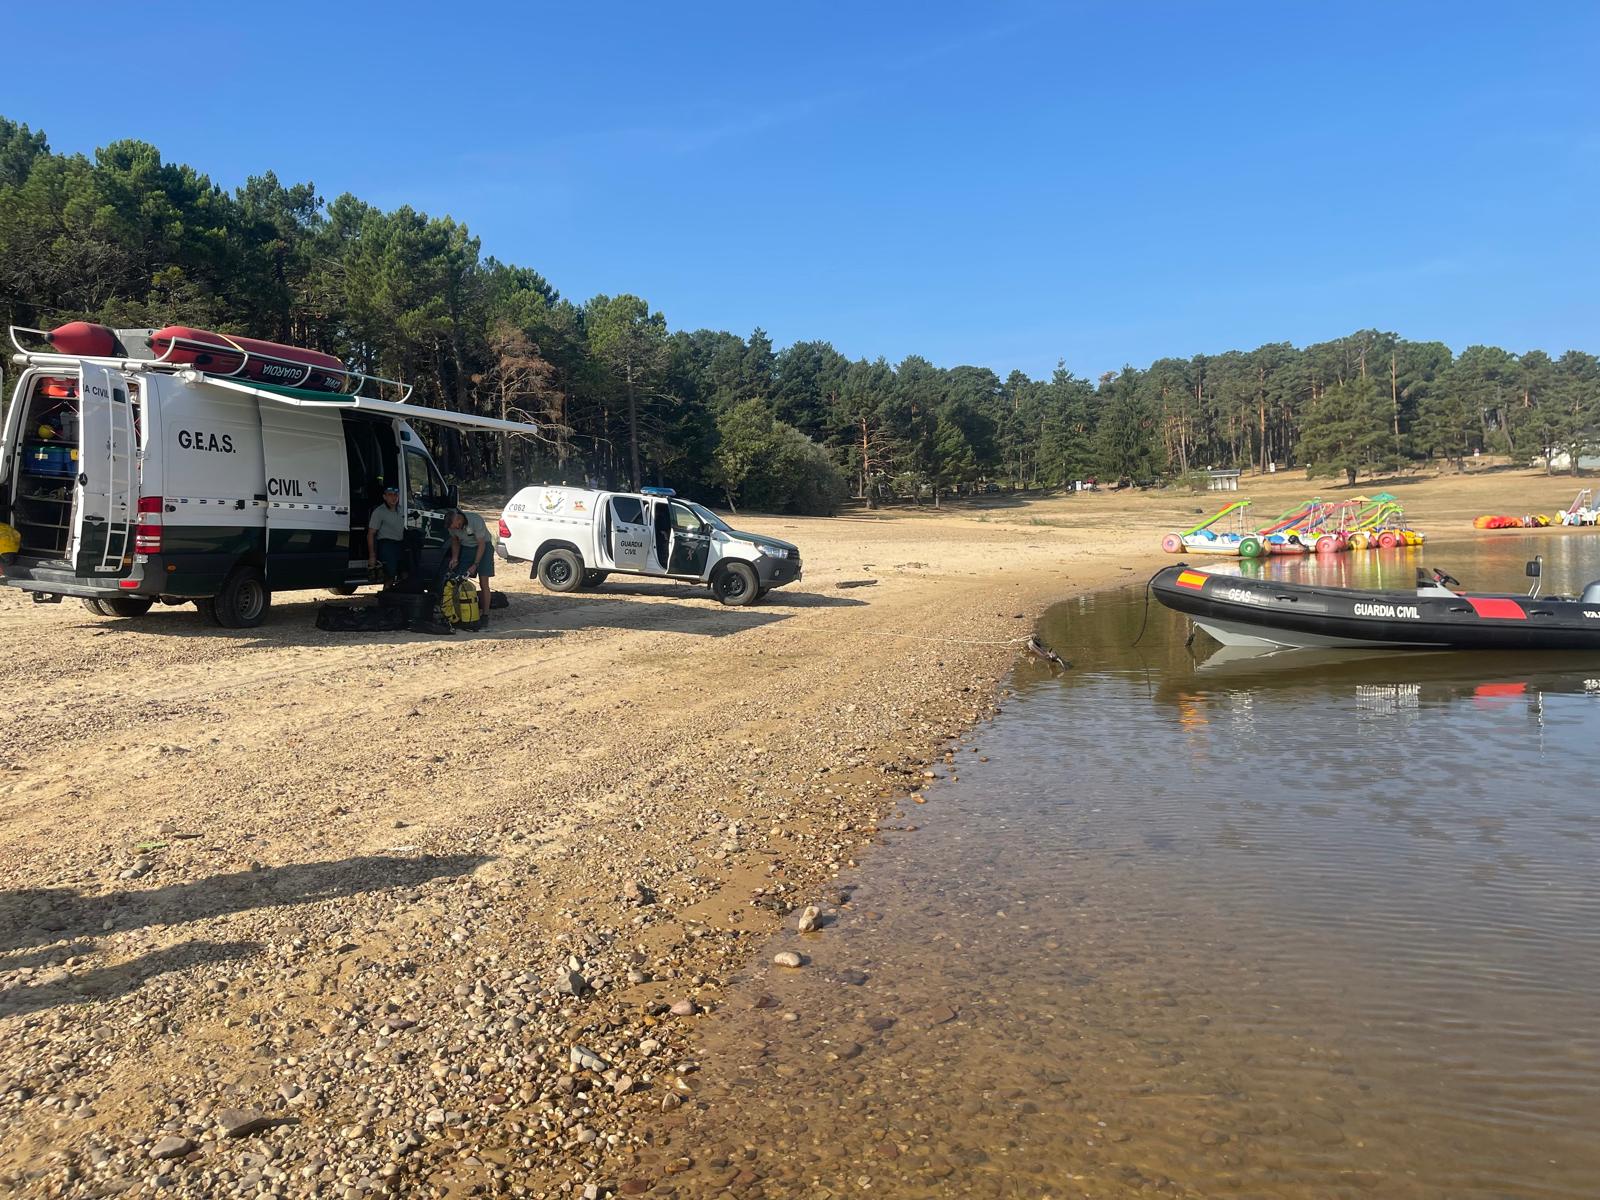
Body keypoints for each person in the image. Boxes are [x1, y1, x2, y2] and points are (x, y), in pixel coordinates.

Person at [445, 508, 495, 620]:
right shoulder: (452, 527)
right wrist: (455, 558)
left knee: (483, 581)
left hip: (484, 547)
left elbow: (481, 544)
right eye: (452, 528)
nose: (455, 528)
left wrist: (475, 565)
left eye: (456, 525)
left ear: (459, 518)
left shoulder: (475, 520)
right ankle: (457, 611)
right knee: (459, 579)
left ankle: (485, 614)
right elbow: (455, 541)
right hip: (467, 547)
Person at [367, 485, 405, 584]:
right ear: (384, 497)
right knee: (389, 575)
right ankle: (385, 597)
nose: (394, 497)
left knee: (404, 574)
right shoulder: (379, 512)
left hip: (400, 544)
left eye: (396, 495)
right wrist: (372, 555)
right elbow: (371, 533)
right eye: (390, 495)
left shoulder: (401, 510)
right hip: (387, 545)